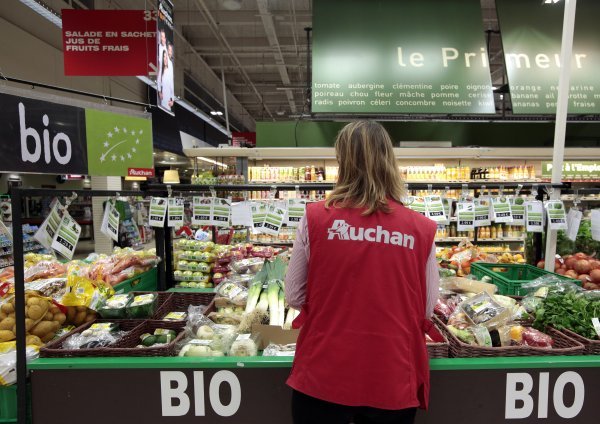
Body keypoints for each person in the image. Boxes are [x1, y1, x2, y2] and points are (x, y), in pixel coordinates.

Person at [285, 120, 440, 424]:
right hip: (392, 377)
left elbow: (293, 295)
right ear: (389, 162)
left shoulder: (314, 217)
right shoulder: (421, 229)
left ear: (342, 161)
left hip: (323, 374)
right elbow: (426, 308)